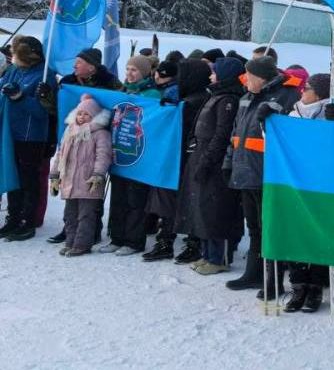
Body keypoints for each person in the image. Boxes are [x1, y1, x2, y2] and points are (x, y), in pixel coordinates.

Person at [223, 55, 298, 298]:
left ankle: (273, 281)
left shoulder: (284, 97)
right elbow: (236, 134)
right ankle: (253, 274)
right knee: (254, 227)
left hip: (267, 174)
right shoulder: (246, 98)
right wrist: (228, 162)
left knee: (270, 229)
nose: (245, 81)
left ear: (263, 78)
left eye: (250, 77)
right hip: (245, 170)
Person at [35, 47, 121, 245]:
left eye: (79, 62)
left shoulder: (110, 82)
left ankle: (92, 230)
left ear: (92, 66)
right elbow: (58, 109)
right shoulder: (68, 82)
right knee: (72, 189)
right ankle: (69, 229)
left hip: (97, 139)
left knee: (91, 192)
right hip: (71, 138)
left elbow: (121, 105)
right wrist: (46, 96)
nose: (74, 66)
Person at [180, 57, 245, 275]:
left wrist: (207, 160)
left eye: (215, 72)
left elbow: (221, 135)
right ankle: (207, 253)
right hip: (202, 154)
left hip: (215, 162)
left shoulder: (228, 100)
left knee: (216, 210)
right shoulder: (215, 95)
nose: (210, 76)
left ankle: (219, 257)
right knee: (203, 209)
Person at [144, 60, 212, 263]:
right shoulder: (187, 96)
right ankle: (166, 240)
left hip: (187, 156)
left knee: (187, 201)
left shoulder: (198, 99)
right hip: (175, 155)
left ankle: (191, 243)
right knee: (169, 200)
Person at [99, 55, 161, 256]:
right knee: (118, 199)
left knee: (136, 200)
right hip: (120, 153)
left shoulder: (152, 94)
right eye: (127, 69)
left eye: (134, 70)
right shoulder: (122, 91)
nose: (129, 74)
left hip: (139, 154)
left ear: (144, 72)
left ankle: (134, 240)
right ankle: (117, 237)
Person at [283, 73, 334, 312]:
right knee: (295, 234)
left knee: (318, 235)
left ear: (321, 93)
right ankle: (298, 284)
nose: (303, 90)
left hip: (324, 185)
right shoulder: (295, 112)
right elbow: (277, 139)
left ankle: (315, 287)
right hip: (296, 182)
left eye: (309, 88)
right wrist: (266, 122)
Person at [0, 36, 54, 241]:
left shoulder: (44, 74)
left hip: (31, 135)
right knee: (12, 175)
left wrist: (20, 97)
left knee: (28, 178)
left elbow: (43, 112)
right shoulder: (14, 70)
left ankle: (28, 220)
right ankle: (13, 217)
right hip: (9, 132)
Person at [48, 94, 112, 256]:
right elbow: (60, 155)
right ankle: (70, 242)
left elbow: (103, 155)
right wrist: (54, 175)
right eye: (80, 113)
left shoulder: (100, 133)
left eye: (86, 114)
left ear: (94, 116)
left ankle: (82, 245)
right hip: (69, 181)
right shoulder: (70, 131)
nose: (82, 117)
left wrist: (98, 174)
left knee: (86, 216)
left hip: (89, 182)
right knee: (70, 216)